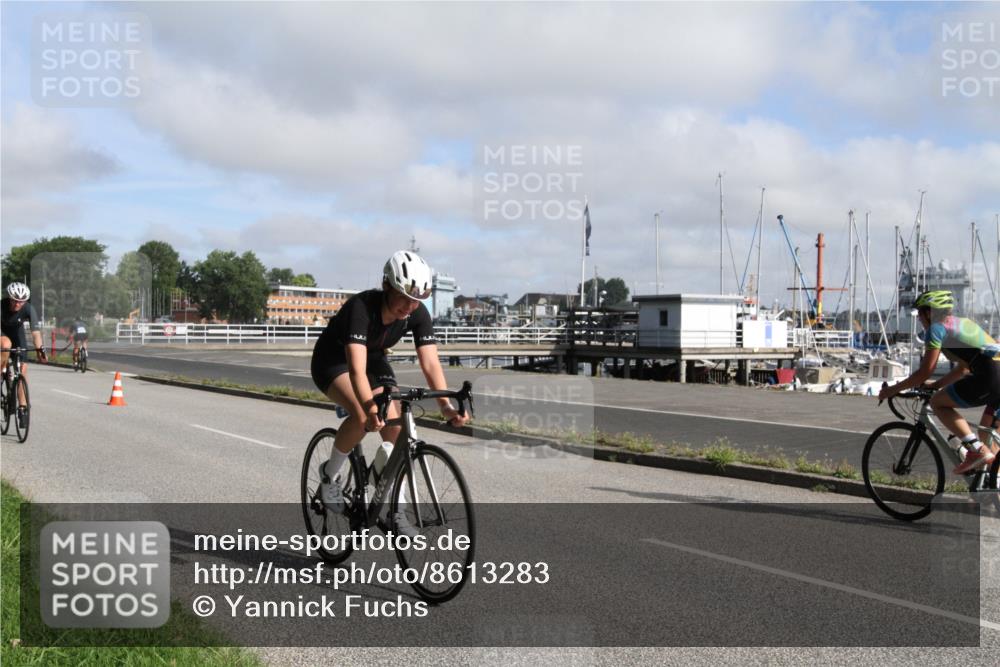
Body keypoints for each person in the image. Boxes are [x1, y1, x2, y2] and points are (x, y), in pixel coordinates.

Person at [310, 251, 470, 528]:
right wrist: (370, 407)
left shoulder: (417, 312)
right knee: (363, 415)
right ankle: (329, 477)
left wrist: (445, 405)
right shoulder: (361, 308)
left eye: (417, 300)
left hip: (373, 359)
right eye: (404, 298)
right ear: (386, 286)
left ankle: (398, 511)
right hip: (333, 361)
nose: (410, 306)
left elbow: (430, 362)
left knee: (397, 432)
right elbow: (356, 370)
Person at [879, 290, 999, 474]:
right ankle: (995, 485)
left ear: (930, 313)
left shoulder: (937, 328)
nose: (919, 318)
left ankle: (976, 450)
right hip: (996, 377)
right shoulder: (961, 323)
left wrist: (892, 389)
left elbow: (925, 371)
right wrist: (935, 385)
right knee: (987, 436)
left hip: (990, 378)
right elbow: (963, 369)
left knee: (937, 403)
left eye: (920, 313)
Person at [1, 282, 48, 427]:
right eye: (15, 300)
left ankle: (22, 408)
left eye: (21, 301)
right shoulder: (1, 306)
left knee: (22, 370)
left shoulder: (28, 308)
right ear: (9, 298)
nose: (18, 304)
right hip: (2, 334)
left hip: (18, 336)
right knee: (6, 345)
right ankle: (2, 370)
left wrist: (40, 349)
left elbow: (35, 333)